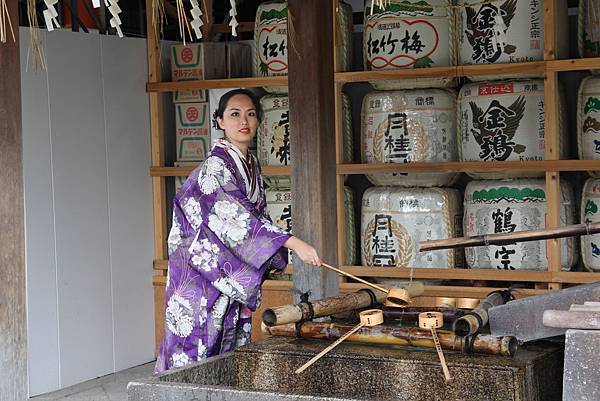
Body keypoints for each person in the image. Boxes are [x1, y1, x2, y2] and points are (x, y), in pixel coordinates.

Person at [155, 89, 321, 372]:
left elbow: (256, 216)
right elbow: (237, 219)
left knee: (228, 346)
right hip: (199, 273)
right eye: (234, 114)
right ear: (219, 121)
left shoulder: (250, 164)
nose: (243, 120)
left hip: (225, 270)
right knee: (196, 346)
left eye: (251, 114)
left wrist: (275, 252)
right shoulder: (215, 168)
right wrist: (293, 244)